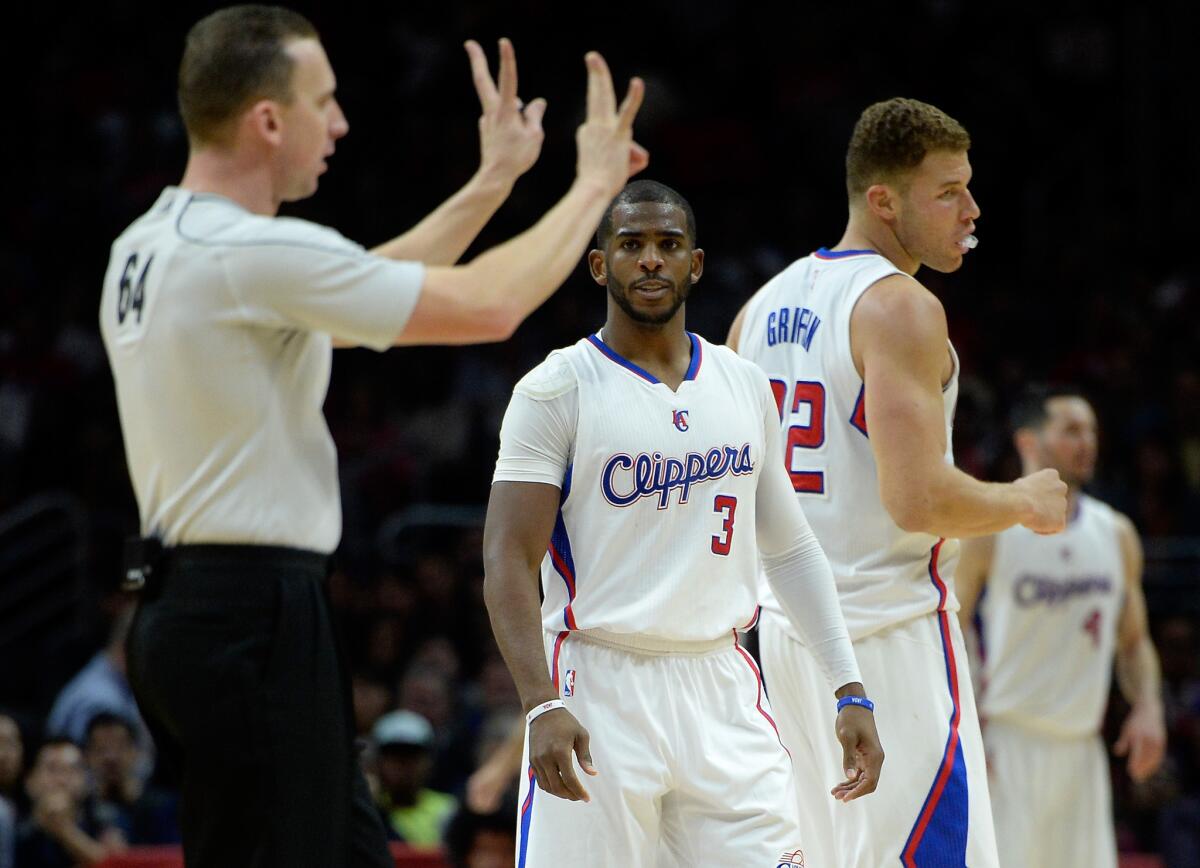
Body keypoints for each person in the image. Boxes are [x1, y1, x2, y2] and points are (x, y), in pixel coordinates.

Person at [98, 5, 647, 866]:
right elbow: (487, 306)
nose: (341, 123)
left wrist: (495, 180)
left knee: (355, 852)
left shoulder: (155, 243)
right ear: (268, 119)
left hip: (199, 607)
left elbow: (369, 285)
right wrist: (592, 186)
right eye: (325, 100)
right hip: (250, 613)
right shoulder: (246, 254)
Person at [483, 180, 883, 867]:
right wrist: (539, 704)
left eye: (668, 245)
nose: (649, 260)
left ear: (694, 265)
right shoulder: (555, 389)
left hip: (722, 681)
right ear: (600, 264)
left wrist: (848, 686)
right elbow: (507, 560)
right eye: (631, 244)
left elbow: (788, 551)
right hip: (599, 685)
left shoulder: (743, 383)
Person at [727, 97, 1069, 867]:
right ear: (883, 201)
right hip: (887, 637)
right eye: (948, 191)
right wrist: (1023, 500)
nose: (972, 210)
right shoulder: (900, 307)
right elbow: (915, 500)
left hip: (787, 641)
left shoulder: (757, 309)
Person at [955, 386, 1166, 868]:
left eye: (1091, 430)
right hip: (1007, 745)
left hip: (1083, 750)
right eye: (1071, 430)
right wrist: (965, 729)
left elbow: (1133, 643)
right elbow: (951, 629)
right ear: (1028, 441)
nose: (1087, 441)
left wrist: (1148, 704)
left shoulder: (1116, 534)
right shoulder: (990, 531)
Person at [83, 712, 180, 845]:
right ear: (87, 756)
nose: (111, 758)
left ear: (135, 752)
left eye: (119, 748)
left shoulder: (164, 807)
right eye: (101, 749)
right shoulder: (81, 811)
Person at [13, 738, 112, 868]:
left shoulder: (104, 818)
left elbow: (116, 862)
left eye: (71, 770)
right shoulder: (12, 825)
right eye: (52, 769)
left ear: (86, 781)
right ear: (30, 782)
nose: (62, 780)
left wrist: (63, 829)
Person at [370, 710, 456, 848]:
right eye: (394, 756)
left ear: (429, 761)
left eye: (412, 756)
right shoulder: (369, 809)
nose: (403, 765)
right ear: (377, 762)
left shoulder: (448, 810)